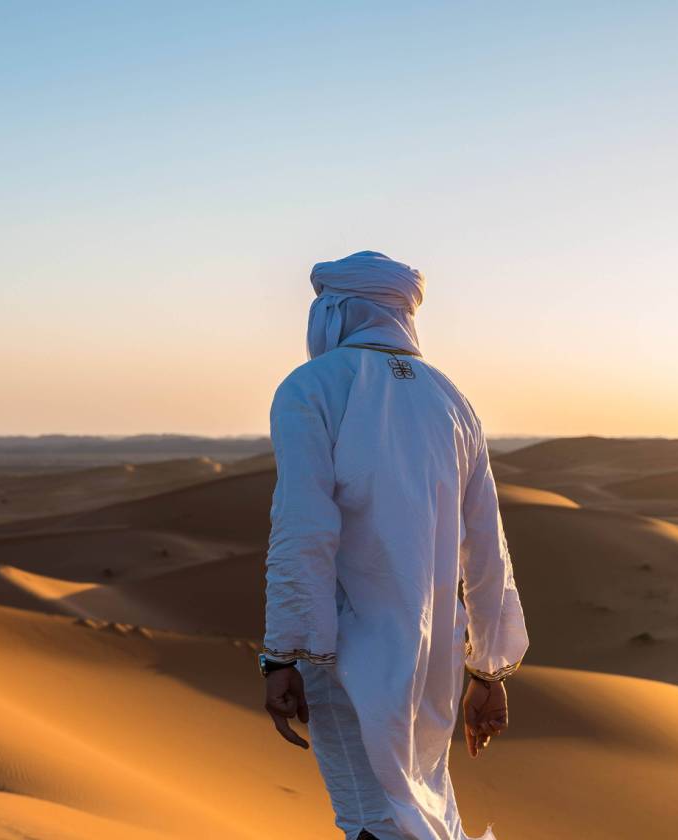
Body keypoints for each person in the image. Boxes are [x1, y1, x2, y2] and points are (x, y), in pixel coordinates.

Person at [259, 250, 531, 840]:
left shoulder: (312, 387)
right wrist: (487, 669)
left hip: (345, 647)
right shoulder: (450, 398)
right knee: (420, 810)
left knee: (373, 818)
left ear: (337, 311)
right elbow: (487, 546)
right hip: (433, 654)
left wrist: (284, 652)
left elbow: (303, 527)